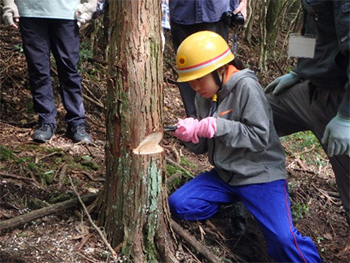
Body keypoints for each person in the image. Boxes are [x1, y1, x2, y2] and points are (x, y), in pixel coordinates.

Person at [169, 31, 322, 262]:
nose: (194, 86)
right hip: (226, 175)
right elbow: (203, 146)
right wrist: (190, 136)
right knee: (180, 205)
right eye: (190, 81)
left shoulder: (246, 87)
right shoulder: (204, 96)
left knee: (284, 241)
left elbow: (260, 137)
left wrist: (217, 126)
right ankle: (236, 208)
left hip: (260, 177)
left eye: (199, 78)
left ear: (220, 69)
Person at [264, 0, 350, 225]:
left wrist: (346, 117)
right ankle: (244, 187)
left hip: (343, 101)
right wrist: (298, 71)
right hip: (311, 89)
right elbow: (310, 27)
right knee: (256, 112)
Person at [2, 0, 97, 144]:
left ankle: (76, 123)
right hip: (30, 11)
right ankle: (46, 121)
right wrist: (9, 4)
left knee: (69, 69)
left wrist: (91, 5)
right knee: (38, 69)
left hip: (67, 12)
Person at [169, 0, 247, 117]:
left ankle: (220, 123)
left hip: (216, 11)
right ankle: (195, 126)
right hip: (182, 11)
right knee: (188, 72)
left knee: (218, 71)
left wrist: (243, 2)